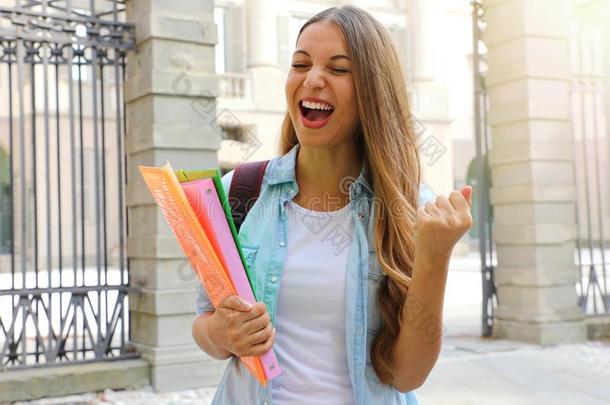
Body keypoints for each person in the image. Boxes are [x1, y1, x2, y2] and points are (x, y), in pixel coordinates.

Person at [192, 5, 473, 405]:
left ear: (373, 91)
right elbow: (204, 323)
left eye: (338, 69)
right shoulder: (239, 191)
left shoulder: (412, 209)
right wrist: (221, 333)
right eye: (300, 64)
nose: (313, 80)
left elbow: (408, 374)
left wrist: (434, 256)